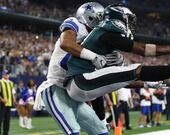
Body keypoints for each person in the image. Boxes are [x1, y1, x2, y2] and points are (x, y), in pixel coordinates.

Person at [65, 4, 170, 104]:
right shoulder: (106, 33)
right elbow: (143, 50)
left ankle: (102, 123)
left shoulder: (105, 44)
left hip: (83, 85)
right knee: (136, 69)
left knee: (100, 130)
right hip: (80, 80)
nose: (131, 25)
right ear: (120, 18)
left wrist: (145, 84)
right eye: (128, 19)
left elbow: (119, 81)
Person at [34, 2, 112, 135]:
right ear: (90, 17)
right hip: (55, 88)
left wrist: (102, 120)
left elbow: (96, 89)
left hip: (74, 95)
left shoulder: (96, 44)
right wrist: (93, 56)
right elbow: (66, 43)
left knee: (102, 132)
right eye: (100, 18)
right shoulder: (75, 24)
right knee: (73, 132)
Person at [0, 70, 16, 135]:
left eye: (7, 74)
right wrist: (1, 99)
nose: (7, 75)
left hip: (9, 104)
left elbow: (13, 93)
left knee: (7, 120)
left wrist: (14, 100)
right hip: (1, 105)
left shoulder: (11, 83)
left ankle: (5, 133)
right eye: (5, 74)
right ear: (2, 75)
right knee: (0, 120)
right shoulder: (0, 82)